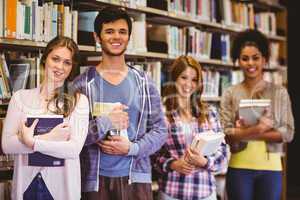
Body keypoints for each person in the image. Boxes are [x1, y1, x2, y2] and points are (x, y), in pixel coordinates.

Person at [72, 6, 167, 200]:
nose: (116, 37)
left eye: (122, 32)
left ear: (129, 37)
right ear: (97, 37)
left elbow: (160, 130)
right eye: (109, 31)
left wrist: (132, 148)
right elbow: (74, 136)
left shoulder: (144, 82)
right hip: (94, 180)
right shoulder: (82, 85)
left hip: (136, 179)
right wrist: (104, 122)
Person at [1, 36, 89, 200]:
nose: (60, 67)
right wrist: (51, 138)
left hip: (61, 187)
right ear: (44, 59)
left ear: (72, 67)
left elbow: (73, 149)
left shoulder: (79, 101)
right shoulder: (20, 98)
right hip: (27, 185)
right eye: (55, 59)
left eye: (67, 62)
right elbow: (7, 145)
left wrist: (32, 142)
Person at [220, 29, 294, 200]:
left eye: (255, 58)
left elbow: (288, 133)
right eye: (244, 58)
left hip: (271, 169)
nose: (250, 63)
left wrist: (244, 132)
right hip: (239, 168)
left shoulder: (279, 93)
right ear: (238, 61)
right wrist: (261, 128)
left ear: (265, 60)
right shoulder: (230, 93)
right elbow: (226, 134)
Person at [152, 55, 228, 200]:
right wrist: (173, 164)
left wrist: (205, 162)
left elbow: (223, 154)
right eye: (183, 77)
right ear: (174, 78)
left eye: (194, 80)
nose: (188, 84)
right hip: (172, 191)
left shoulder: (209, 112)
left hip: (204, 192)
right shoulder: (160, 113)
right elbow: (152, 155)